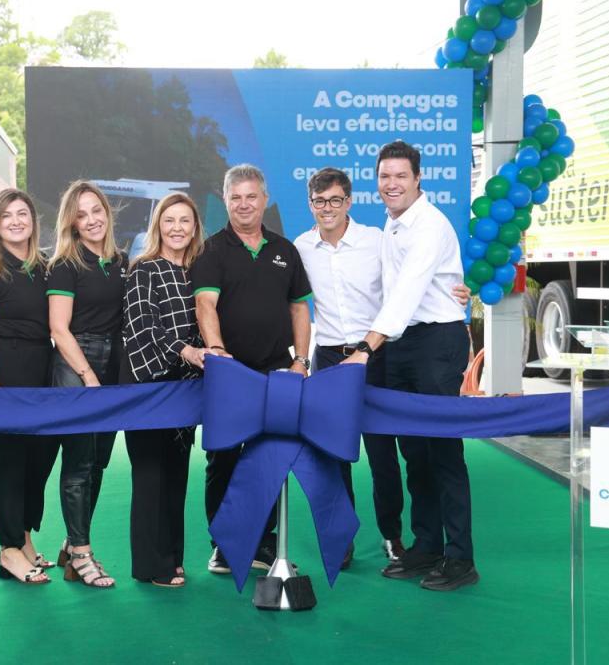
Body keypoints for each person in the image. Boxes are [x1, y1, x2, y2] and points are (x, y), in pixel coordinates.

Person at [295, 167, 470, 569]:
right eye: (319, 201)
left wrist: (458, 290)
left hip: (375, 356)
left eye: (335, 200)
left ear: (349, 201)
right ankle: (341, 539)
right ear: (310, 204)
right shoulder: (300, 247)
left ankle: (392, 535)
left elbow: (416, 279)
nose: (327, 208)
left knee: (383, 455)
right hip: (329, 358)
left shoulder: (377, 240)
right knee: (333, 454)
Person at [344, 140, 477, 591]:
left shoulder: (430, 225)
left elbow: (408, 291)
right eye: (385, 176)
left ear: (418, 178)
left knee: (443, 450)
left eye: (401, 175)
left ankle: (461, 558)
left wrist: (366, 347)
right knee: (414, 451)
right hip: (403, 345)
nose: (392, 183)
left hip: (436, 342)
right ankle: (427, 545)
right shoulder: (393, 222)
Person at [191, 164, 313, 574]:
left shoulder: (285, 250)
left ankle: (262, 541)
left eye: (251, 196)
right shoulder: (211, 250)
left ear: (264, 199)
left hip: (277, 373)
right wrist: (217, 351)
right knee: (223, 458)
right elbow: (205, 305)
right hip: (229, 374)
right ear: (225, 200)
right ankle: (224, 546)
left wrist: (301, 360)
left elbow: (299, 308)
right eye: (235, 197)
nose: (244, 204)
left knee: (269, 457)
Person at [122, 192, 211, 588]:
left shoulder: (198, 273)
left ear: (195, 228)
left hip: (186, 388)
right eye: (169, 220)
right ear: (158, 225)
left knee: (176, 476)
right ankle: (151, 564)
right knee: (150, 477)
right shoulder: (143, 269)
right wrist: (185, 351)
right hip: (150, 385)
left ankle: (173, 557)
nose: (177, 228)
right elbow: (142, 325)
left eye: (185, 221)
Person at [0, 188, 57, 585]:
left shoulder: (44, 268)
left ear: (33, 222)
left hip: (42, 372)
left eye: (23, 213)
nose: (16, 221)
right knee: (8, 462)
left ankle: (23, 538)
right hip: (4, 373)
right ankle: (7, 549)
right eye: (7, 215)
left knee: (39, 458)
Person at [46, 180, 126, 589]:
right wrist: (88, 375)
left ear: (107, 213)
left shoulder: (121, 260)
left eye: (96, 210)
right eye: (82, 214)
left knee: (98, 462)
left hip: (113, 364)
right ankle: (81, 554)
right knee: (78, 464)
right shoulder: (65, 264)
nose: (92, 220)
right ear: (72, 223)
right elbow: (59, 329)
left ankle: (71, 544)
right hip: (75, 365)